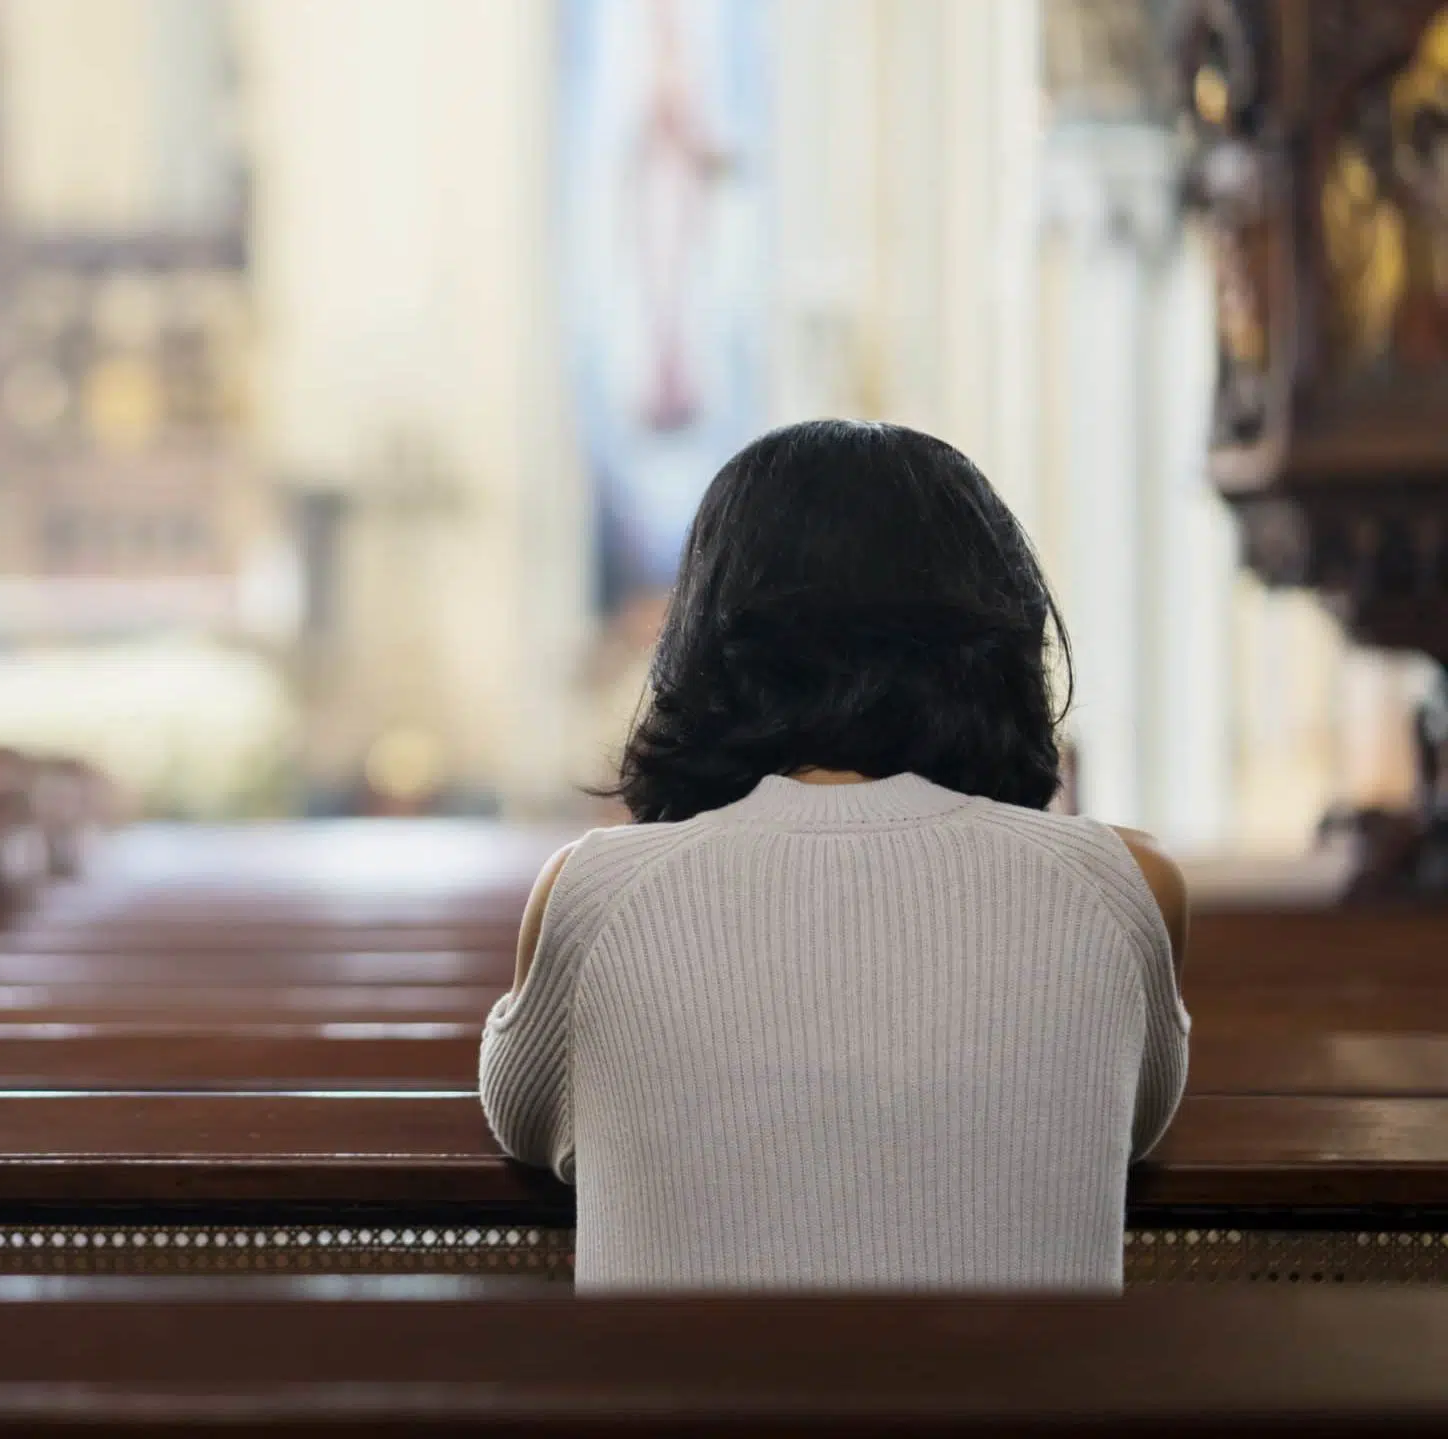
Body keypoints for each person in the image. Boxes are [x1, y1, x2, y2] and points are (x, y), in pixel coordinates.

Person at [481, 419, 1188, 1291]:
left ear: (708, 638)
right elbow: (1136, 1120)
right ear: (997, 635)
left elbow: (521, 1119)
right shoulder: (1127, 889)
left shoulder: (593, 894)